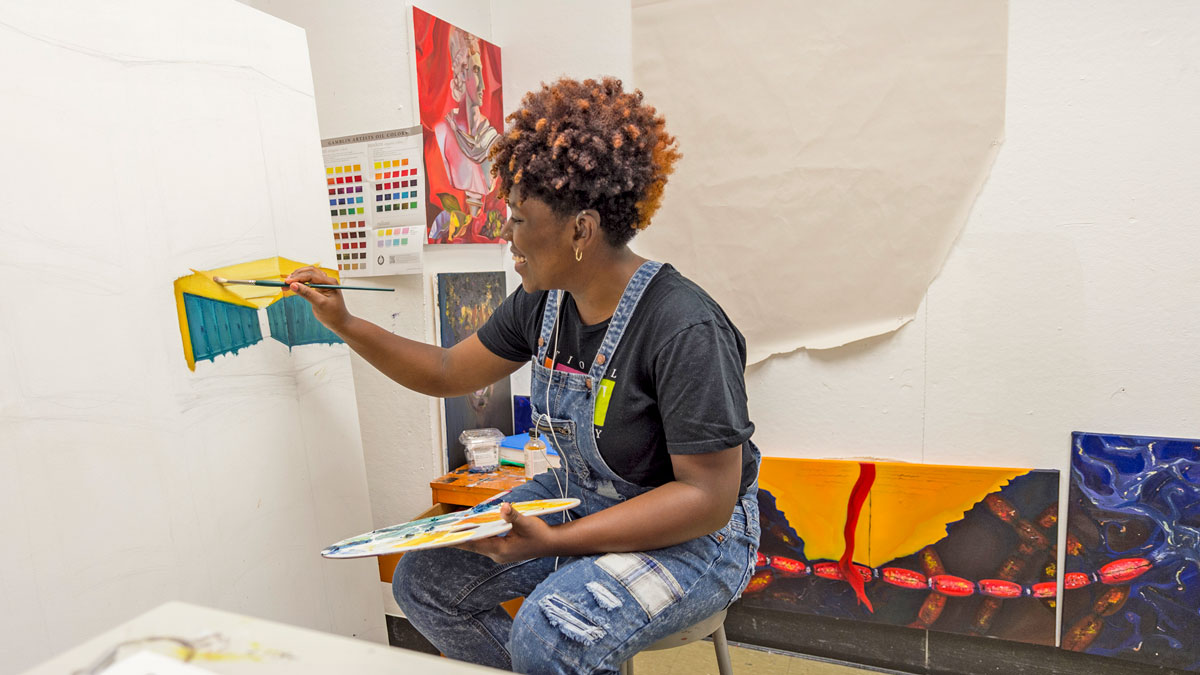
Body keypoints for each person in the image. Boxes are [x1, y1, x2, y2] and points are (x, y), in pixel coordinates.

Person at [287, 76, 760, 675]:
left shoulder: (684, 328)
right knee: (424, 579)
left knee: (550, 630)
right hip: (583, 500)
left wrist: (560, 541)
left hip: (700, 537)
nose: (505, 236)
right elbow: (446, 369)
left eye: (516, 219)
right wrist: (345, 321)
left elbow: (707, 499)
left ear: (580, 229)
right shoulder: (545, 301)